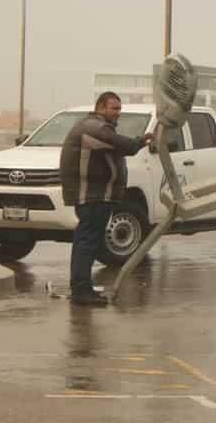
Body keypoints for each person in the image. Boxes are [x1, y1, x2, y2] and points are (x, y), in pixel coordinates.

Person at [60, 92, 153, 306]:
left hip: (98, 195)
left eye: (119, 108)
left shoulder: (96, 127)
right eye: (114, 108)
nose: (118, 113)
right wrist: (143, 140)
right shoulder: (94, 128)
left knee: (87, 242)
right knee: (87, 242)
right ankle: (81, 291)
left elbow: (118, 147)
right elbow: (124, 145)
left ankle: (82, 288)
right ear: (101, 108)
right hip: (92, 196)